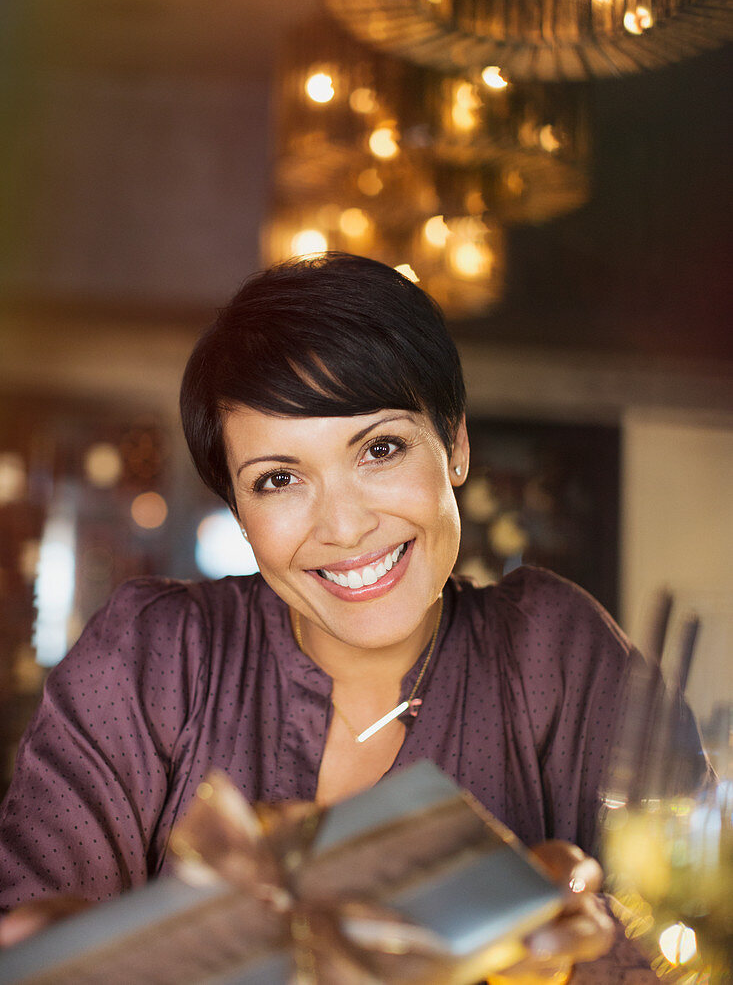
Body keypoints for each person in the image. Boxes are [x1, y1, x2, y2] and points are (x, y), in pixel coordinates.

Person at [0, 252, 683, 976]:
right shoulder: (154, 655)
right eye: (280, 479)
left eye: (380, 449)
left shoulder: (553, 651)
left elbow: (684, 932)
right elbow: (41, 923)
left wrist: (578, 957)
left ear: (453, 445)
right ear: (237, 507)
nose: (344, 527)